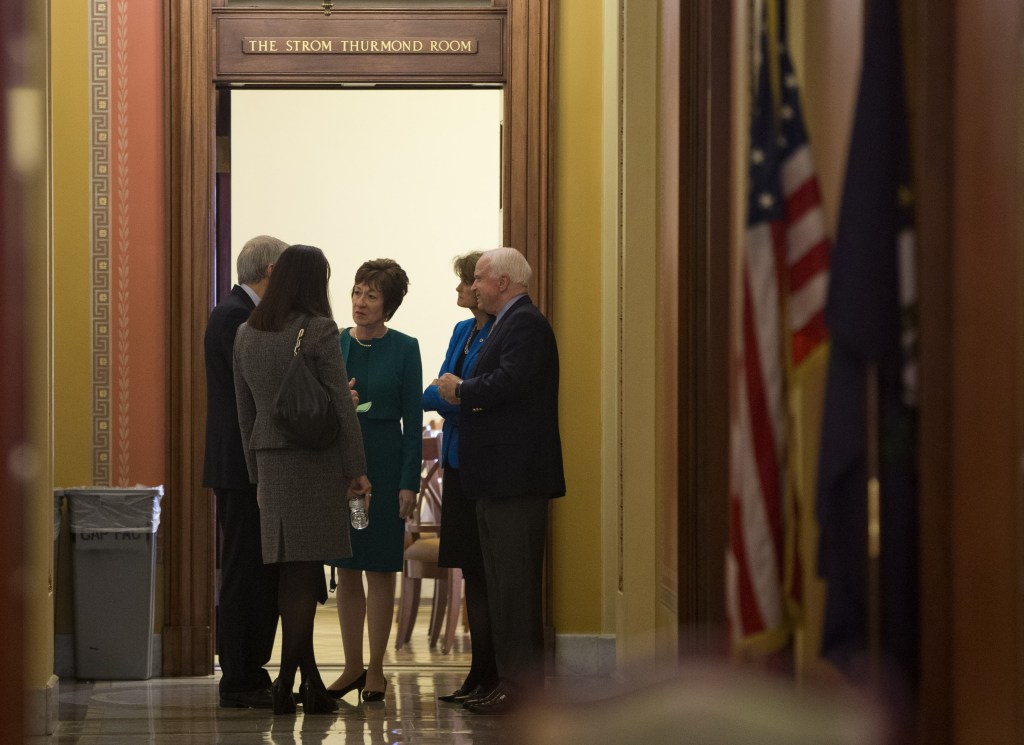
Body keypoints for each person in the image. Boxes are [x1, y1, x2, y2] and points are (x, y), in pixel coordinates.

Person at [233, 244, 371, 716]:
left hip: (270, 462)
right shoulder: (318, 329)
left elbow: (244, 412)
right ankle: (287, 682)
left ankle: (306, 682)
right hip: (313, 462)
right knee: (303, 571)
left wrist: (255, 476)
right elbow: (340, 404)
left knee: (295, 571)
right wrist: (356, 469)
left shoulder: (246, 333)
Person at [437, 246, 565, 715]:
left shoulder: (525, 324)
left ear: (503, 283)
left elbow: (508, 383)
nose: (473, 286)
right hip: (495, 478)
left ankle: (522, 688)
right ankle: (507, 682)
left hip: (516, 478)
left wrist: (460, 390)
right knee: (500, 584)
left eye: (480, 279)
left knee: (515, 588)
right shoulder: (506, 324)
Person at [326, 258, 422, 703]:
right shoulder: (334, 342)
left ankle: (378, 668)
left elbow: (412, 419)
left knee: (381, 568)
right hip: (341, 465)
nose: (360, 303)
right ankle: (351, 666)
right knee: (345, 568)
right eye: (357, 292)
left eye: (371, 295)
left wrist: (409, 482)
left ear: (389, 305)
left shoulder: (405, 348)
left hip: (384, 461)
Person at [203, 234, 286, 710]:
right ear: (271, 271)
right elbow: (256, 391)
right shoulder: (237, 316)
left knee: (253, 571)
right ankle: (240, 678)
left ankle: (248, 671)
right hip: (241, 464)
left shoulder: (235, 311)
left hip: (242, 461)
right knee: (243, 573)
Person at [422, 251, 498, 704]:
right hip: (456, 460)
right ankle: (476, 675)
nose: (457, 290)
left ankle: (492, 674)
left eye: (463, 283)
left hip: (483, 463)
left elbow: (475, 396)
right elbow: (435, 393)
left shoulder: (500, 332)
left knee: (489, 577)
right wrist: (454, 395)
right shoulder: (462, 331)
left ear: (481, 288)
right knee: (472, 573)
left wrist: (456, 394)